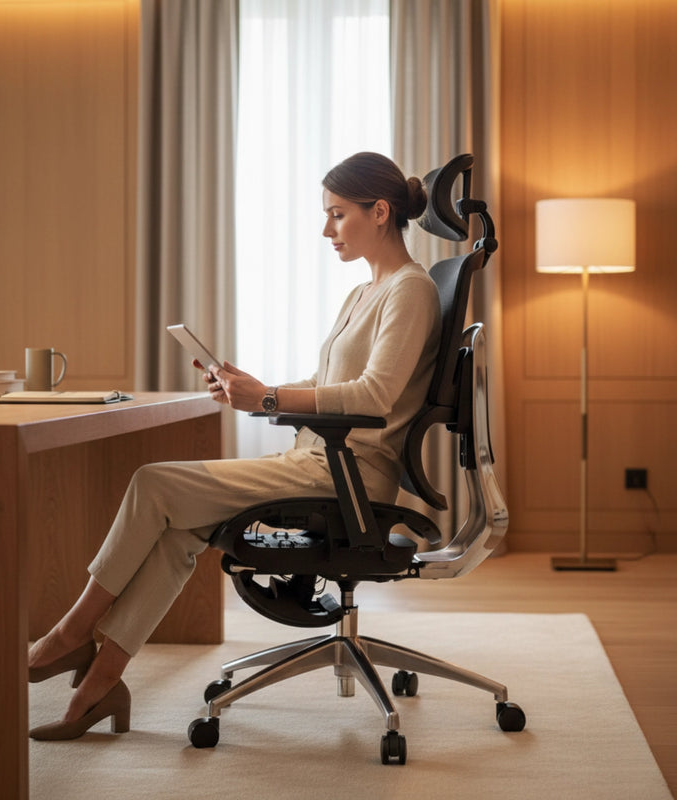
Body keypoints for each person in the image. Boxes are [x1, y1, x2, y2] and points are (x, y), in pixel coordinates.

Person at [26, 152, 441, 740]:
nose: (327, 230)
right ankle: (99, 687)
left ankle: (70, 635)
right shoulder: (362, 293)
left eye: (338, 215)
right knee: (178, 528)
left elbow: (374, 397)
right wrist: (252, 390)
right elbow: (330, 385)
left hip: (351, 474)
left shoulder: (411, 290)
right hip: (315, 460)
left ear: (379, 212)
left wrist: (268, 398)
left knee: (154, 483)